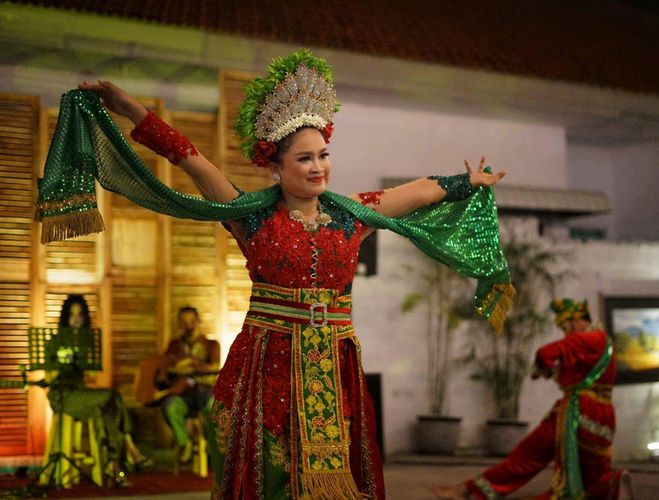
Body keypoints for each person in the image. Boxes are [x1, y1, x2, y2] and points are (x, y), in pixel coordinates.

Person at [40, 48, 514, 499]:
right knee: (269, 474)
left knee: (342, 474)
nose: (318, 167)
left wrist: (465, 182)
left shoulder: (353, 215)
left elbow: (416, 192)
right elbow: (190, 160)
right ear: (276, 166)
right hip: (268, 365)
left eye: (323, 155)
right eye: (304, 158)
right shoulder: (252, 217)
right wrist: (133, 111)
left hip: (333, 365)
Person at [430, 298, 632, 500]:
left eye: (564, 326)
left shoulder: (585, 338)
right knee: (592, 473)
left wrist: (544, 367)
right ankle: (613, 485)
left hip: (578, 412)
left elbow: (545, 353)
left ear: (575, 320)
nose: (565, 332)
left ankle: (472, 491)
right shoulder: (605, 342)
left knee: (528, 455)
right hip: (603, 416)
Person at [45, 294, 152, 487]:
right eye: (72, 314)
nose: (76, 318)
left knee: (110, 410)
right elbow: (49, 378)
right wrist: (61, 360)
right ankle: (127, 451)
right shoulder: (55, 341)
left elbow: (89, 376)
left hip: (81, 394)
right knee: (113, 397)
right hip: (62, 396)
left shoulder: (86, 343)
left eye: (80, 314)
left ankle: (115, 465)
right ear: (65, 317)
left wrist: (79, 359)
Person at [161, 306, 220, 464]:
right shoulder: (174, 345)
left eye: (192, 321)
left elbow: (214, 367)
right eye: (184, 322)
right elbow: (169, 368)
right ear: (179, 324)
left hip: (205, 391)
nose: (188, 325)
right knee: (170, 407)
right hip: (183, 394)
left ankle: (211, 448)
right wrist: (192, 366)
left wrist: (190, 365)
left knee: (213, 408)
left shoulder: (211, 344)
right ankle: (183, 442)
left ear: (198, 321)